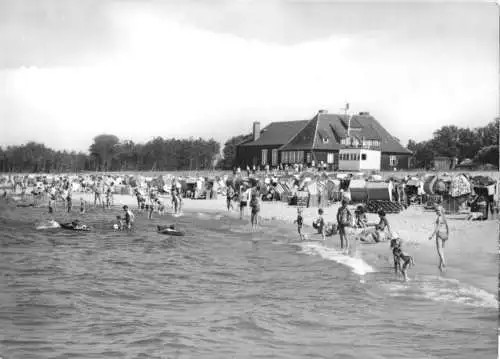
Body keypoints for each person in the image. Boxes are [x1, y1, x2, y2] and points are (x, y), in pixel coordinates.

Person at [428, 205, 449, 272]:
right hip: (445, 234)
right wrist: (447, 234)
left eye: (438, 210)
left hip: (439, 234)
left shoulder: (439, 218)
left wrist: (432, 235)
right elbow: (447, 226)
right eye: (437, 210)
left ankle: (443, 262)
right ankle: (440, 265)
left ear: (441, 210)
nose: (437, 211)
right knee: (442, 250)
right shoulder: (444, 217)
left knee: (439, 250)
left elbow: (437, 228)